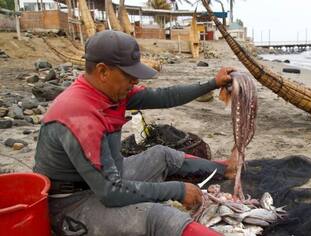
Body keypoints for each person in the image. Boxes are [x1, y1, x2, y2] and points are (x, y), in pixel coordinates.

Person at [33, 30, 237, 236]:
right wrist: (178, 190)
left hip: (105, 178)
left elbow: (165, 97)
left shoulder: (110, 92)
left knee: (162, 154)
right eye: (129, 75)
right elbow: (111, 192)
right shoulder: (78, 114)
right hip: (71, 205)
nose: (135, 82)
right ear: (103, 72)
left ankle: (225, 170)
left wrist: (213, 83)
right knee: (161, 218)